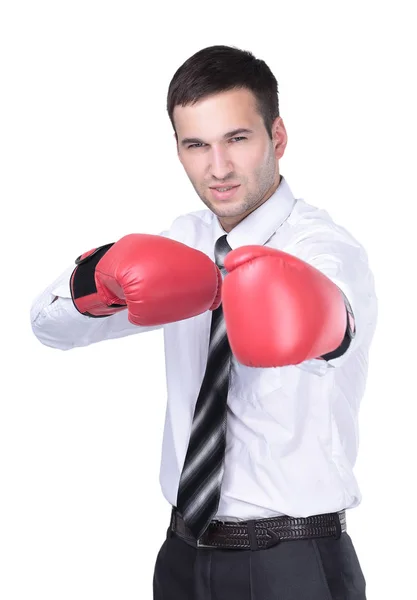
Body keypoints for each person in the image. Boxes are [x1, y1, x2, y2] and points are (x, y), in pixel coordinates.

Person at [30, 44, 378, 600]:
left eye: (236, 139)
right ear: (178, 150)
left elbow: (340, 319)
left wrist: (306, 309)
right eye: (196, 145)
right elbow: (49, 328)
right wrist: (100, 277)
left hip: (292, 559)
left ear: (277, 137)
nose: (217, 168)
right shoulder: (184, 240)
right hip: (181, 553)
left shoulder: (324, 248)